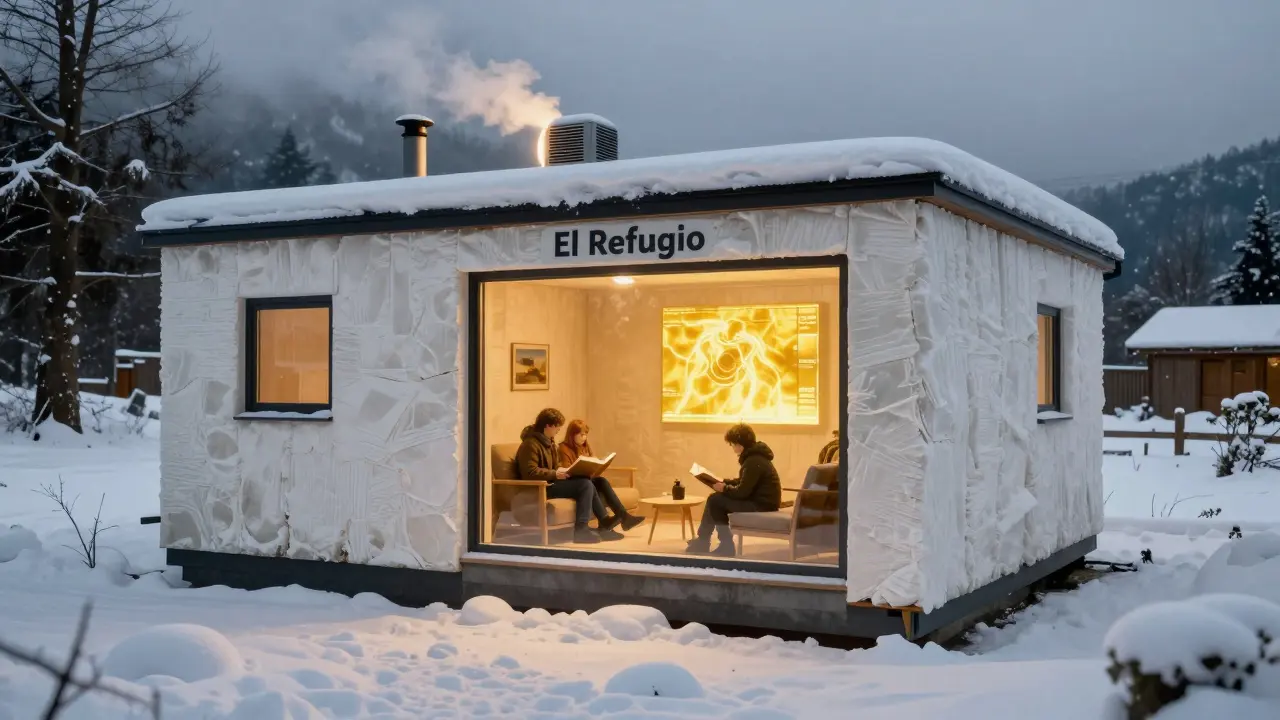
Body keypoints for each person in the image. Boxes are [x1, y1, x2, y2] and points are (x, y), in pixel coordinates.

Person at [516, 408, 623, 544]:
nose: (558, 431)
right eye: (557, 428)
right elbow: (530, 473)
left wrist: (566, 470)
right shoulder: (530, 445)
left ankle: (602, 521)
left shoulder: (549, 443)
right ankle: (581, 530)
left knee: (588, 480)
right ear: (548, 425)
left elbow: (554, 466)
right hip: (540, 488)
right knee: (584, 485)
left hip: (551, 482)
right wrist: (555, 473)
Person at [687, 423, 781, 556]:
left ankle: (723, 545)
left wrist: (724, 488)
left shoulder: (753, 461)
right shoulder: (755, 458)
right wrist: (724, 482)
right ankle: (705, 540)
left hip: (761, 505)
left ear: (739, 444)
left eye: (732, 444)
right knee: (715, 499)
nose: (732, 447)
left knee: (715, 500)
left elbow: (742, 492)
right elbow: (746, 482)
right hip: (761, 502)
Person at [558, 419, 645, 532]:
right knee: (593, 485)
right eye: (581, 435)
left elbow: (592, 464)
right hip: (574, 483)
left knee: (601, 481)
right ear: (572, 434)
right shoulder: (563, 448)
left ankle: (623, 517)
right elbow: (567, 470)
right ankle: (611, 520)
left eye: (586, 435)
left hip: (586, 479)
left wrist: (597, 466)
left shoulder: (585, 446)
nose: (584, 438)